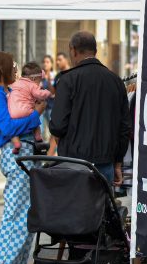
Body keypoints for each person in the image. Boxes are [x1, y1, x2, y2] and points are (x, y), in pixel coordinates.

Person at [0, 51, 46, 264]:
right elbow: (7, 127)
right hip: (17, 154)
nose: (16, 71)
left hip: (23, 153)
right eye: (12, 67)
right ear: (2, 71)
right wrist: (36, 115)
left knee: (25, 214)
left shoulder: (3, 94)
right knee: (16, 215)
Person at [49, 31, 130, 185]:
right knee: (101, 208)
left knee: (74, 207)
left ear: (73, 50)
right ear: (95, 51)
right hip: (105, 163)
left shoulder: (67, 80)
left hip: (73, 163)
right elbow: (124, 127)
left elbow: (57, 126)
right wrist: (118, 163)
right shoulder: (116, 81)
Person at [7, 62, 51, 154]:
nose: (39, 83)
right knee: (35, 119)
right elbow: (39, 94)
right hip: (26, 110)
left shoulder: (16, 83)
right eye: (39, 80)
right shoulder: (32, 84)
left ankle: (16, 144)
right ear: (34, 78)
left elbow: (9, 93)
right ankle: (38, 136)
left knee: (13, 131)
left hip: (12, 112)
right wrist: (48, 92)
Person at [40, 55, 56, 137]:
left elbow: (53, 93)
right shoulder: (39, 77)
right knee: (40, 131)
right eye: (43, 62)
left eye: (47, 62)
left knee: (52, 131)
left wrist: (49, 80)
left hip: (51, 107)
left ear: (51, 64)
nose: (45, 64)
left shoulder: (54, 76)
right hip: (41, 108)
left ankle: (52, 149)